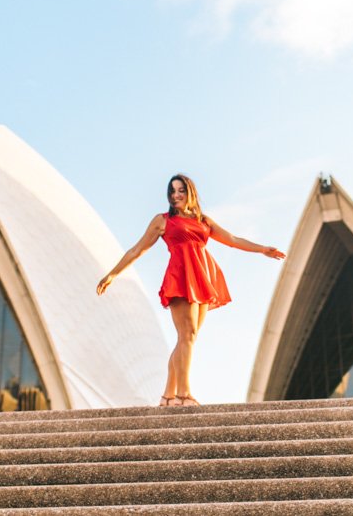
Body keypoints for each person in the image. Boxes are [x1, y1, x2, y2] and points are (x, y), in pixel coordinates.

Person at [96, 173, 285, 407]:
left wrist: (262, 249)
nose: (175, 195)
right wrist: (112, 274)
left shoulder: (203, 220)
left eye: (180, 190)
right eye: (172, 191)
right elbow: (137, 250)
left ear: (190, 192)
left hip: (202, 277)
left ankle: (167, 395)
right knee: (187, 336)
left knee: (188, 338)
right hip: (179, 277)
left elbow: (233, 239)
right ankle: (184, 394)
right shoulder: (162, 221)